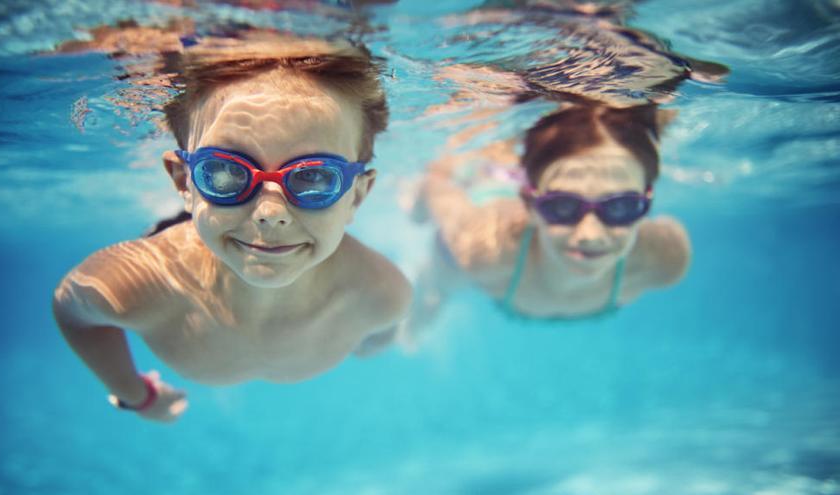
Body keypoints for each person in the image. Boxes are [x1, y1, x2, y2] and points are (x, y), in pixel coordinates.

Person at [52, 32, 411, 422]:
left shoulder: (381, 295)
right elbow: (72, 312)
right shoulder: (136, 284)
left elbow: (382, 333)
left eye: (313, 178)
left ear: (357, 196)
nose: (269, 212)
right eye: (224, 171)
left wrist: (371, 339)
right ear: (182, 182)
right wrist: (135, 395)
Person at [403, 104, 690, 341]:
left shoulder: (664, 259)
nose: (590, 234)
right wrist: (417, 213)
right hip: (481, 209)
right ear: (530, 204)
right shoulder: (481, 247)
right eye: (563, 206)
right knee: (436, 290)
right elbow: (435, 184)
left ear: (646, 201)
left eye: (621, 206)